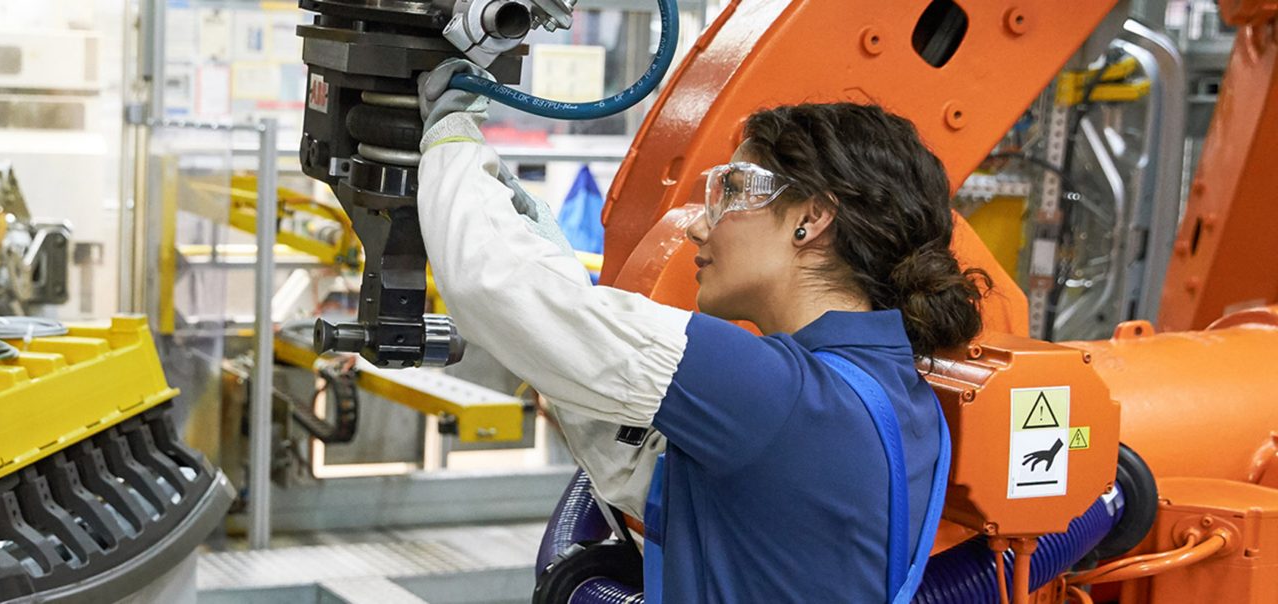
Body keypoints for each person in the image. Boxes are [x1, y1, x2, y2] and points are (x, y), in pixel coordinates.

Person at [413, 59, 987, 602]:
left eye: (732, 191)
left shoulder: (773, 392)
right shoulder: (900, 400)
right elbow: (642, 460)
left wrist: (449, 130)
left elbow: (495, 284)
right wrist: (530, 227)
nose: (697, 228)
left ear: (810, 219)